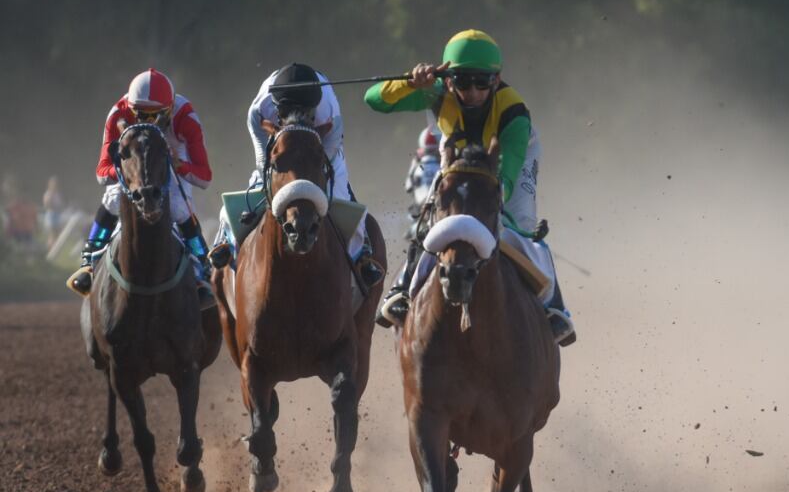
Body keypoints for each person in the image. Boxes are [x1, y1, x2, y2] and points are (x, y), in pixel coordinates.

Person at [365, 29, 575, 345]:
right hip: (457, 160)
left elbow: (505, 180)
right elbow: (375, 100)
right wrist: (410, 82)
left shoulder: (514, 113)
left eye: (483, 82)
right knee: (430, 219)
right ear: (447, 79)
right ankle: (402, 288)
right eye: (463, 82)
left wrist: (485, 206)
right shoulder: (434, 91)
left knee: (518, 226)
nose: (473, 92)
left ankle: (554, 306)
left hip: (507, 161)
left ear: (497, 78)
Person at [209, 63, 383, 286]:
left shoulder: (329, 112)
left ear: (313, 111)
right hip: (277, 142)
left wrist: (314, 178)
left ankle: (362, 255)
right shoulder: (260, 108)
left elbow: (326, 155)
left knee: (338, 193)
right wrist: (268, 167)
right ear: (276, 110)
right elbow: (260, 144)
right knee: (257, 184)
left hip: (324, 148)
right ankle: (226, 241)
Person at [67, 68, 215, 307]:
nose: (147, 121)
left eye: (156, 115)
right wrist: (123, 169)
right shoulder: (118, 113)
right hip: (134, 160)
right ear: (130, 107)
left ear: (170, 108)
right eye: (141, 115)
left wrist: (180, 166)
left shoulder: (186, 118)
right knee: (114, 197)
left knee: (177, 205)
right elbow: (101, 172)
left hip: (172, 155)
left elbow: (205, 177)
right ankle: (88, 262)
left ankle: (202, 269)